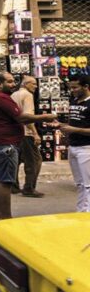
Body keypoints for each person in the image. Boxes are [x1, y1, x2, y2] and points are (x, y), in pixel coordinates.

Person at [0, 72, 57, 221]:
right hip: (5, 143)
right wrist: (45, 117)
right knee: (5, 181)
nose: (13, 84)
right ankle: (5, 216)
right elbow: (22, 117)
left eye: (13, 81)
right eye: (9, 82)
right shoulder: (2, 98)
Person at [60, 75, 90, 212]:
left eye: (75, 87)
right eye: (70, 87)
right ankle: (80, 212)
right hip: (73, 146)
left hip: (86, 148)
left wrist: (74, 129)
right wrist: (62, 125)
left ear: (85, 86)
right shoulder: (74, 100)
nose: (72, 90)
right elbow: (73, 122)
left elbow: (76, 127)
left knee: (88, 184)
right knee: (79, 183)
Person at [10, 76, 44, 197]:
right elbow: (28, 117)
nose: (36, 86)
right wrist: (35, 133)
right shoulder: (28, 95)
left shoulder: (14, 94)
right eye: (33, 84)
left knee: (16, 160)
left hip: (15, 132)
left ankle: (13, 186)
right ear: (25, 84)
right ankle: (29, 188)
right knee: (35, 161)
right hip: (26, 133)